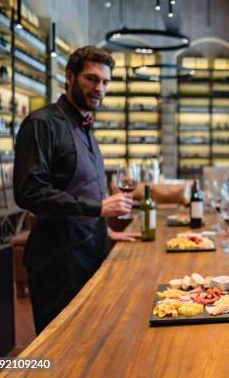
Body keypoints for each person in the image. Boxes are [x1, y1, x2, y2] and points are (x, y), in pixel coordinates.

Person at [14, 46, 139, 334]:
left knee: (90, 341)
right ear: (69, 77)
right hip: (58, 261)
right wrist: (99, 209)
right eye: (92, 79)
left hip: (91, 251)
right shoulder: (41, 123)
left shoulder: (85, 128)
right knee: (60, 349)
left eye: (105, 82)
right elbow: (29, 191)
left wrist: (102, 229)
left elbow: (82, 189)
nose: (99, 88)